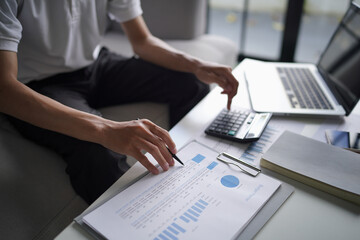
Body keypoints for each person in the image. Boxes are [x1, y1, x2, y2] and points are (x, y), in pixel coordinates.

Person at [0, 0, 238, 204]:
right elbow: (4, 90)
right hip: (36, 85)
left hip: (95, 65)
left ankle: (195, 174)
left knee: (190, 82)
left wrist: (197, 65)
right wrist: (105, 128)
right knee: (99, 150)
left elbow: (142, 41)